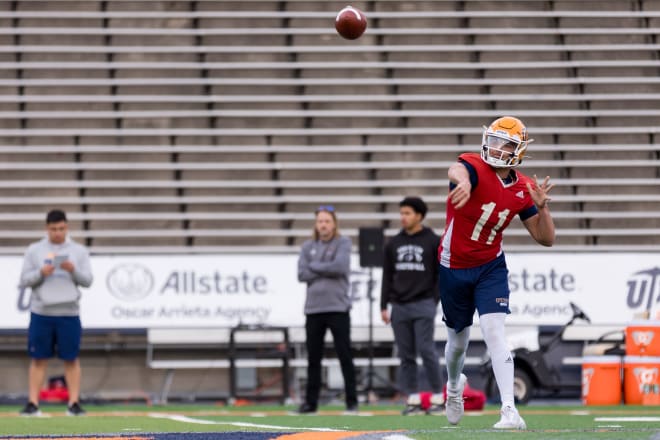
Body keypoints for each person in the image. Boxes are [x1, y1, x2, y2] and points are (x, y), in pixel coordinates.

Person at [439, 116, 555, 430]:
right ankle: (453, 387)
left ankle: (509, 411)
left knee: (494, 332)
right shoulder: (475, 167)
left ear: (518, 151)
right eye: (493, 140)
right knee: (458, 342)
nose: (496, 148)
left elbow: (546, 238)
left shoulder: (523, 188)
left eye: (505, 144)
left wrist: (542, 208)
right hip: (454, 265)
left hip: (491, 266)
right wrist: (462, 181)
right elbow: (457, 167)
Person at [18, 209, 93, 416]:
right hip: (42, 312)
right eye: (53, 229)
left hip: (69, 312)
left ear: (66, 227)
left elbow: (88, 281)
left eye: (61, 229)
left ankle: (74, 403)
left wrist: (72, 270)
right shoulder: (35, 250)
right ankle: (33, 403)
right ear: (47, 228)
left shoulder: (78, 251)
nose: (58, 233)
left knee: (71, 358)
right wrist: (41, 272)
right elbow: (24, 280)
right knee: (38, 358)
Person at [380, 197, 443, 414]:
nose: (403, 217)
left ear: (419, 215)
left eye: (407, 213)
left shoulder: (433, 241)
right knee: (406, 354)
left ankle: (437, 397)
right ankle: (413, 399)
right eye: (401, 213)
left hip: (424, 303)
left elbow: (439, 275)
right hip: (399, 306)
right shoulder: (393, 242)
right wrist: (383, 305)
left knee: (426, 350)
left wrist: (434, 300)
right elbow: (387, 276)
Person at [296, 205, 358, 414]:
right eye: (320, 221)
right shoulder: (308, 246)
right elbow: (301, 274)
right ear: (316, 224)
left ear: (334, 223)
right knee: (314, 357)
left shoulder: (343, 242)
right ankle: (310, 403)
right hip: (313, 309)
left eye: (327, 221)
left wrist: (314, 266)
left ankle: (351, 401)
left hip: (338, 307)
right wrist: (324, 267)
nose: (323, 225)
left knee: (344, 354)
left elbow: (339, 267)